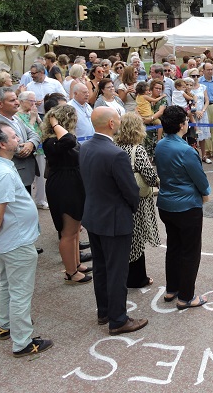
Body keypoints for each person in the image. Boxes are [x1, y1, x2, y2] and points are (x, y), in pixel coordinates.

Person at [0, 123, 53, 357]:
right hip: (16, 240)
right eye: (13, 136)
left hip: (7, 240)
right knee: (20, 291)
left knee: (7, 283)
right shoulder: (4, 173)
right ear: (2, 144)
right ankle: (22, 342)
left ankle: (5, 324)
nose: (18, 138)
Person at [79, 107, 147, 335]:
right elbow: (131, 190)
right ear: (110, 124)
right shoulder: (115, 153)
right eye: (117, 118)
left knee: (100, 268)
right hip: (115, 220)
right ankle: (118, 320)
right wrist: (132, 208)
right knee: (117, 271)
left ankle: (104, 311)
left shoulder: (85, 147)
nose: (119, 121)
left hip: (94, 216)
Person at [155, 105, 210, 309]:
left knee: (174, 247)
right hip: (187, 206)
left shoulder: (160, 145)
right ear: (181, 124)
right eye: (185, 121)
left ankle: (172, 288)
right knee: (190, 250)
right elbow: (200, 179)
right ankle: (186, 296)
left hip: (166, 204)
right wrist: (206, 193)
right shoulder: (187, 150)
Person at [41, 105, 91, 284]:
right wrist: (54, 122)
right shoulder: (51, 141)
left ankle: (76, 264)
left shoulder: (60, 139)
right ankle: (70, 272)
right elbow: (69, 140)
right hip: (63, 186)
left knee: (76, 229)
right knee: (68, 232)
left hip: (73, 183)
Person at [114, 113, 161, 288]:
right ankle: (137, 278)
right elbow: (149, 176)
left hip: (119, 197)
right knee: (137, 238)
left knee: (127, 238)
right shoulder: (137, 149)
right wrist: (158, 182)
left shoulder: (115, 145)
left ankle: (125, 275)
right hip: (137, 200)